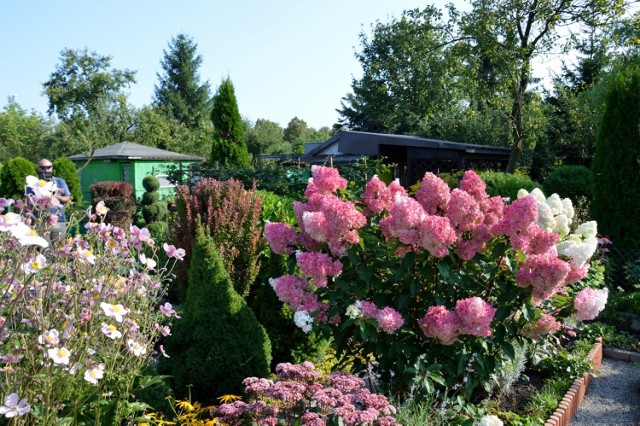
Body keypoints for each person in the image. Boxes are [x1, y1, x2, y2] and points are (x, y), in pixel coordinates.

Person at [35, 159, 72, 242]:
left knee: (59, 248)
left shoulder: (59, 181)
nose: (46, 170)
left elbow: (68, 197)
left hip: (58, 220)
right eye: (43, 168)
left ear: (52, 168)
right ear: (38, 169)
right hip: (41, 221)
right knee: (44, 249)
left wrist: (56, 196)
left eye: (48, 167)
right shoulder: (34, 184)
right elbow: (30, 202)